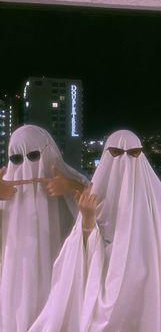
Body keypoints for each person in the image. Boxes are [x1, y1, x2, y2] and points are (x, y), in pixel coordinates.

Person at [29, 129, 161, 332]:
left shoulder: (157, 199)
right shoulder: (96, 197)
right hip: (103, 286)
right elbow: (78, 254)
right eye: (117, 153)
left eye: (133, 153)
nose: (124, 160)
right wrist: (88, 220)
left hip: (146, 288)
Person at [0, 124, 89, 332]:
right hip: (16, 281)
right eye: (16, 159)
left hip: (60, 277)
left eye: (33, 156)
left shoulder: (71, 180)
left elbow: (104, 213)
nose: (26, 166)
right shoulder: (4, 187)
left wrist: (72, 187)